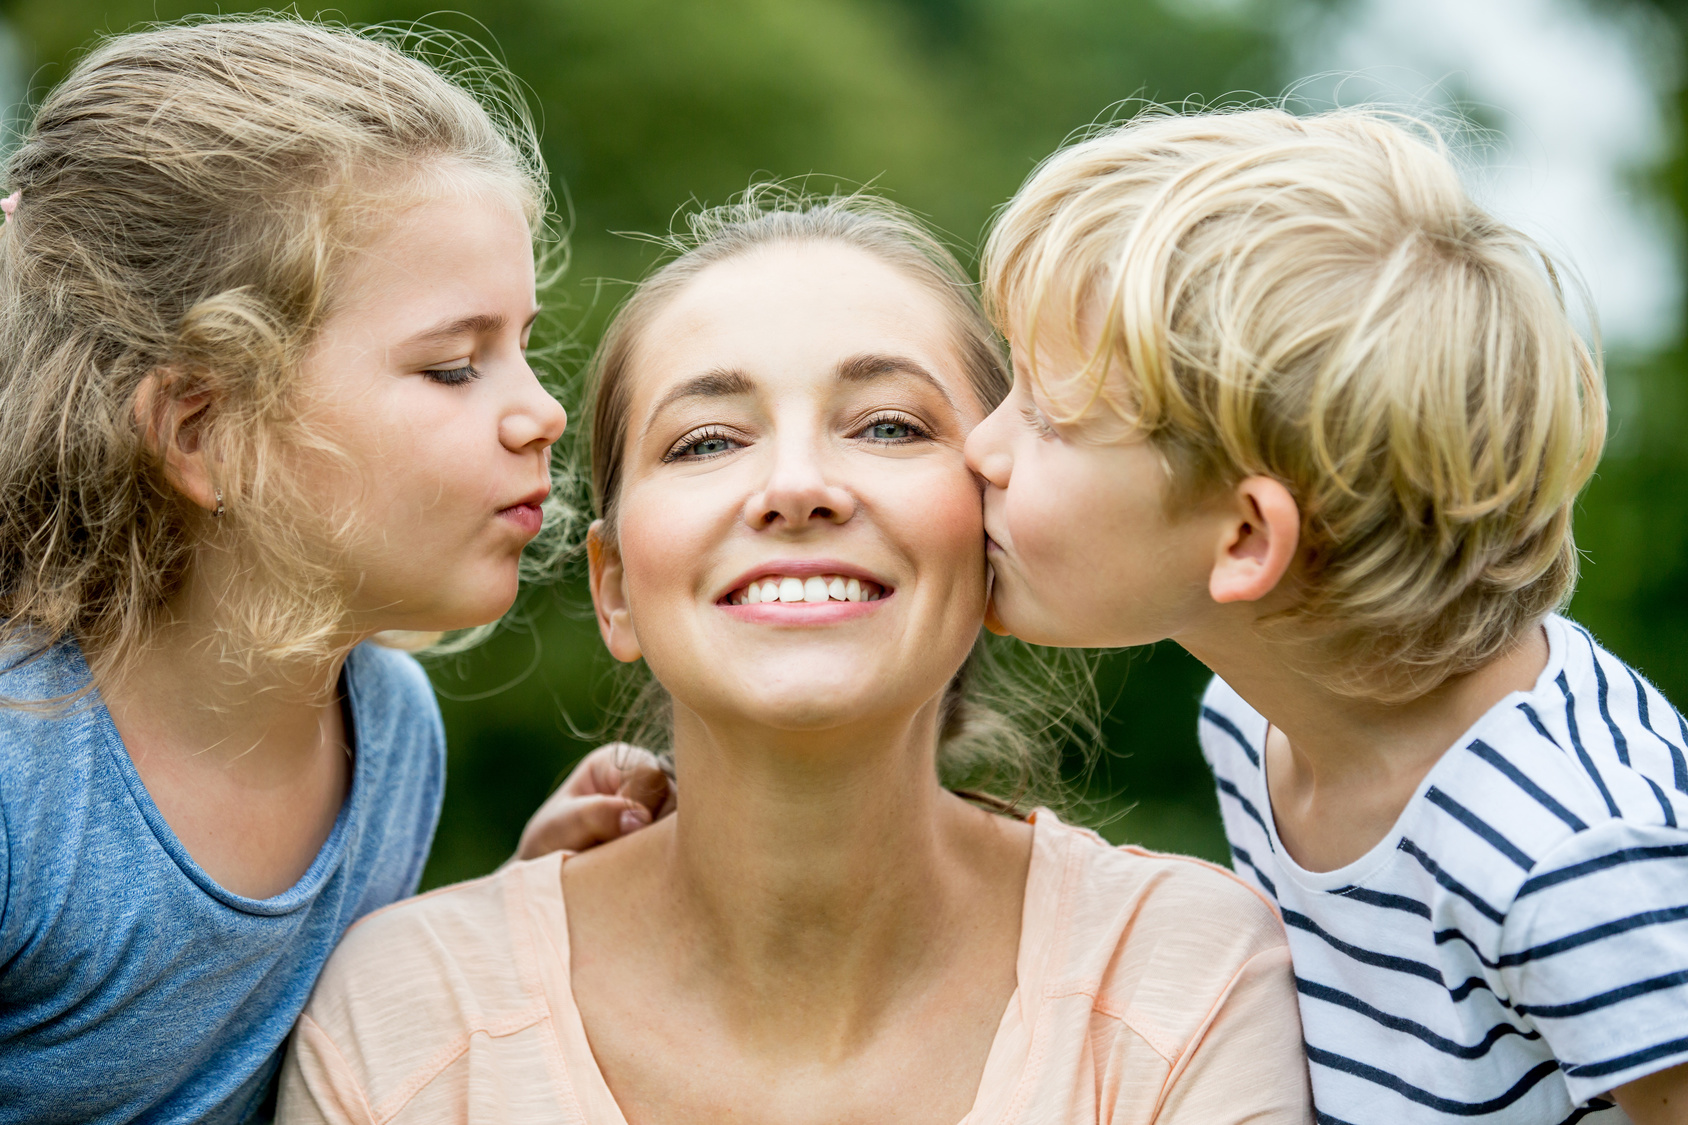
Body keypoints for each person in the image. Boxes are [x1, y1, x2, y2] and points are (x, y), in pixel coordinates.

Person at [277, 194, 1312, 1124]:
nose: (797, 485)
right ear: (614, 588)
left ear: (995, 528)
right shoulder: (405, 1018)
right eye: (707, 442)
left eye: (889, 426)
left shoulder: (1183, 976)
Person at [963, 105, 1688, 1123]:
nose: (977, 451)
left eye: (1042, 418)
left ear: (1246, 541)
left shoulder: (1569, 848)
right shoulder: (1253, 722)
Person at [0, 17, 619, 1121]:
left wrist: (496, 922)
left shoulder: (390, 733)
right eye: (451, 367)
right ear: (202, 429)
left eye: (522, 346)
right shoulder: (24, 776)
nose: (541, 410)